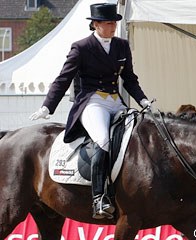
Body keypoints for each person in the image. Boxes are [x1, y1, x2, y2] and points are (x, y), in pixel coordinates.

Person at [29, 3, 151, 220]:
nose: (113, 27)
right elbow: (63, 78)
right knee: (103, 140)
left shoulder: (122, 46)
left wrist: (142, 100)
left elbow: (129, 79)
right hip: (92, 102)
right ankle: (99, 197)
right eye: (108, 23)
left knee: (136, 136)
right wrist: (47, 106)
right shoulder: (81, 47)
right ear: (95, 24)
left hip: (116, 101)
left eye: (114, 23)